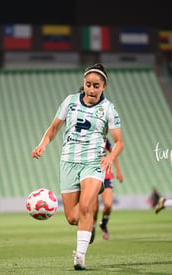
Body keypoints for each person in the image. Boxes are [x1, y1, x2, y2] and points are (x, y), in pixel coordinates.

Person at [31, 63, 124, 271]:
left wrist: (111, 157)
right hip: (68, 163)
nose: (91, 89)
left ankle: (79, 257)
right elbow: (54, 128)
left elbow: (119, 142)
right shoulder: (70, 101)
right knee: (73, 217)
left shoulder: (109, 109)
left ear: (104, 87)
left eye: (96, 86)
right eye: (88, 84)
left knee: (85, 206)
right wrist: (42, 145)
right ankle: (88, 226)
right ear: (84, 83)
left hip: (94, 163)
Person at [95, 139, 123, 240]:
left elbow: (113, 154)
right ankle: (91, 227)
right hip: (92, 175)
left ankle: (104, 223)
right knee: (93, 208)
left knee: (108, 205)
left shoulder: (104, 140)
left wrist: (118, 171)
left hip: (106, 175)